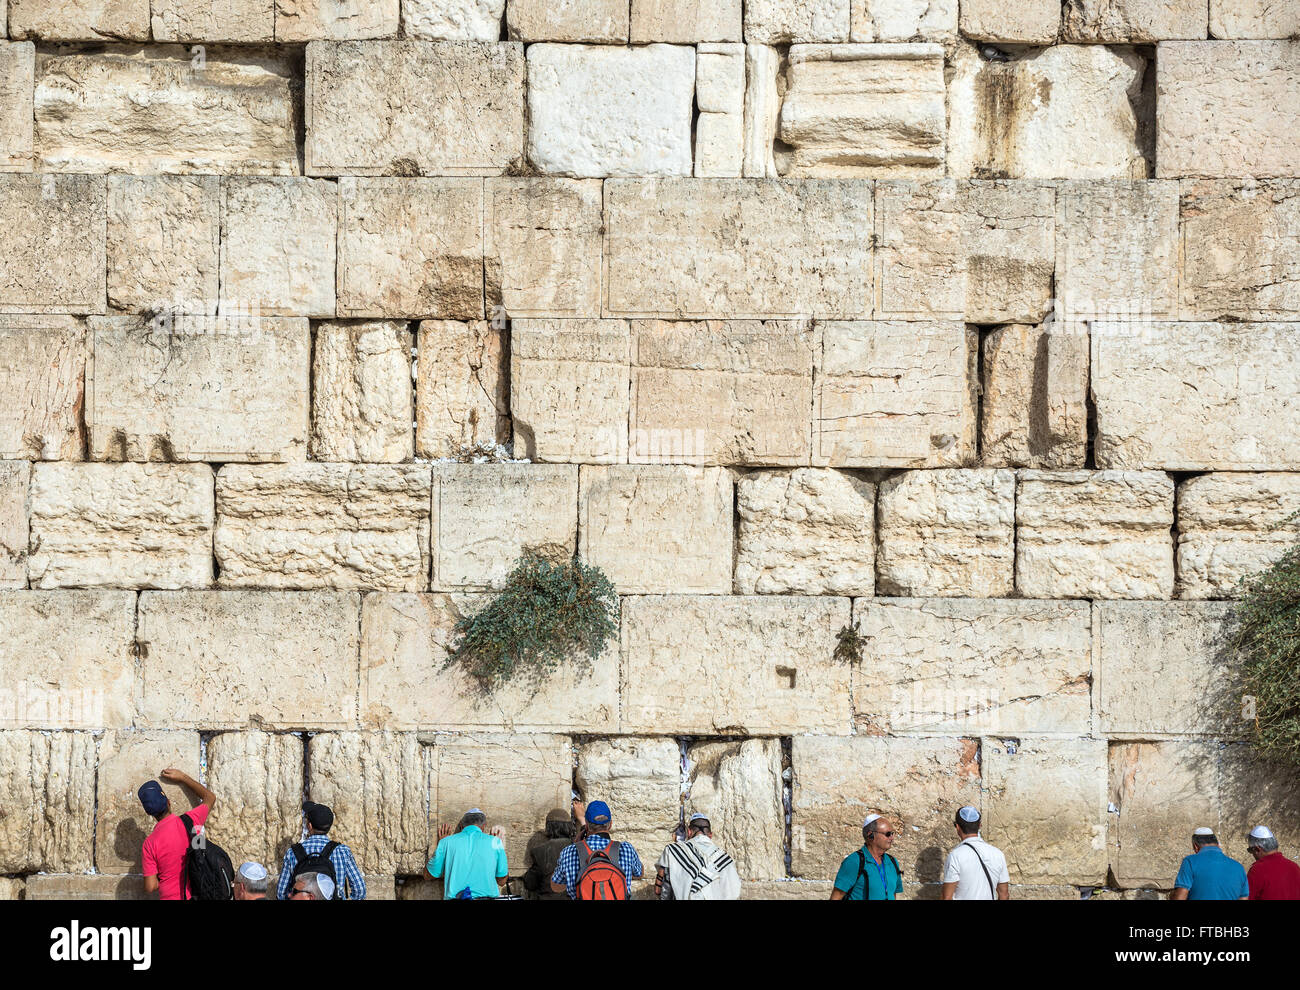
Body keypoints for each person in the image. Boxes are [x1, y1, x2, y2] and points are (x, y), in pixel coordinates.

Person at [139, 767, 217, 901]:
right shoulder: (191, 820)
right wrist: (183, 777)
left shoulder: (149, 843)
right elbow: (210, 797)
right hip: (197, 894)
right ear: (169, 803)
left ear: (148, 813)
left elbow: (150, 886)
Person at [551, 799, 643, 900]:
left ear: (586, 824)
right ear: (610, 824)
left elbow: (556, 886)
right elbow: (639, 873)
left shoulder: (569, 852)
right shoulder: (626, 849)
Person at [276, 801, 367, 900]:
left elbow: (281, 893)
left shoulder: (292, 853)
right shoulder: (342, 851)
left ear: (309, 826)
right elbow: (360, 890)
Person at [655, 812, 742, 900]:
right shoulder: (724, 859)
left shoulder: (673, 851)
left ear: (689, 832)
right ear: (710, 835)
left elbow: (659, 890)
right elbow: (734, 891)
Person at [427, 808, 509, 899]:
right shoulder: (495, 842)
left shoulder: (445, 842)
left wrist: (443, 846)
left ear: (462, 826)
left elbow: (428, 875)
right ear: (484, 826)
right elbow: (502, 881)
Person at [941, 806, 1010, 900]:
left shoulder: (955, 856)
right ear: (980, 825)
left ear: (957, 827)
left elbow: (947, 897)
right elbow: (1004, 895)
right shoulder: (998, 854)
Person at [830, 813, 903, 901]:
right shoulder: (854, 861)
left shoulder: (892, 862)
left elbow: (892, 894)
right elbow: (836, 897)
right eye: (888, 834)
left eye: (892, 833)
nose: (892, 838)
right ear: (871, 835)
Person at [1171, 827, 1249, 900]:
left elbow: (1180, 896)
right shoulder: (1239, 867)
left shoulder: (1190, 861)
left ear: (1196, 846)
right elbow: (1244, 898)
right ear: (1218, 845)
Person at [523, 808, 576, 901]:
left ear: (549, 827)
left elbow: (530, 884)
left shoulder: (540, 851)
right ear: (569, 827)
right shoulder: (578, 848)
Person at [1245, 825, 1300, 900]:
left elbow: (1246, 897)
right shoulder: (1295, 867)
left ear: (1257, 849)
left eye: (1250, 850)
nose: (1252, 854)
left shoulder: (1258, 870)